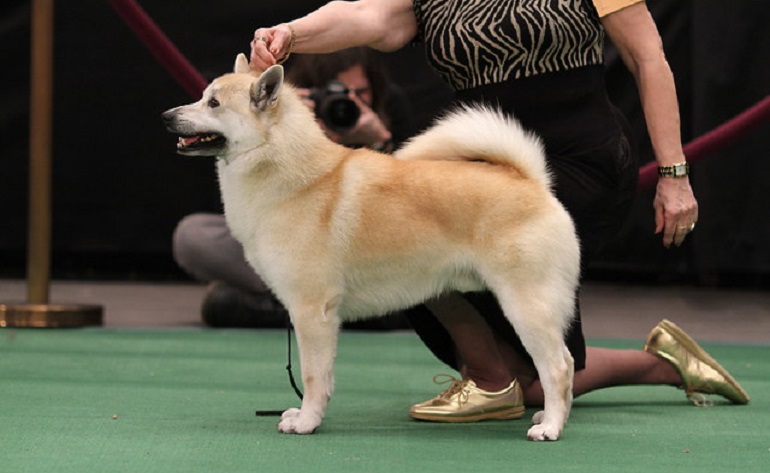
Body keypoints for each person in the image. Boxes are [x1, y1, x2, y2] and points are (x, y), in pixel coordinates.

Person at [249, 0, 750, 421]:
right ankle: (493, 381)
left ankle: (648, 366)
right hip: (481, 165)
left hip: (578, 161)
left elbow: (648, 58)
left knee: (535, 372)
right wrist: (291, 33)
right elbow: (366, 16)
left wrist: (674, 173)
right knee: (404, 243)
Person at [173, 46, 414, 329]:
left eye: (359, 94)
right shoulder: (280, 114)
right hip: (282, 243)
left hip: (359, 251)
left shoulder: (391, 108)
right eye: (334, 94)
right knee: (193, 235)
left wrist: (379, 141)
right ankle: (337, 310)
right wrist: (294, 133)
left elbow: (412, 196)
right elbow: (236, 214)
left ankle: (284, 309)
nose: (348, 102)